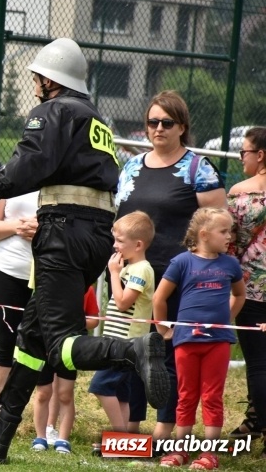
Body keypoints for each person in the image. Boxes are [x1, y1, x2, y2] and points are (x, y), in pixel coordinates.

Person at [0, 38, 168, 463]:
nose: (36, 85)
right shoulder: (96, 118)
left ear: (50, 78)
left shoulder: (54, 110)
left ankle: (131, 351)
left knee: (61, 341)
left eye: (38, 78)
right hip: (96, 233)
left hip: (62, 230)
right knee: (33, 337)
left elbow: (31, 161)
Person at [114, 91, 226, 445]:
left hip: (181, 281)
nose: (158, 128)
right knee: (131, 352)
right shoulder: (131, 166)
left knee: (171, 358)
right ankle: (129, 432)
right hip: (135, 279)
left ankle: (167, 432)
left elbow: (219, 228)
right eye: (152, 122)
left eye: (166, 122)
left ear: (182, 127)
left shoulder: (199, 169)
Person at [154, 207, 245, 469]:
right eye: (224, 231)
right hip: (185, 341)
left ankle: (209, 454)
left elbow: (239, 295)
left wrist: (226, 319)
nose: (229, 236)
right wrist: (164, 330)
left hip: (217, 342)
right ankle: (180, 450)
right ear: (204, 234)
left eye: (230, 231)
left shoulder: (230, 264)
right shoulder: (182, 262)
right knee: (186, 395)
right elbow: (159, 299)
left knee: (212, 396)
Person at [88, 211, 155, 444]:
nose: (114, 245)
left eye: (119, 241)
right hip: (118, 340)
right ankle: (126, 438)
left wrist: (113, 274)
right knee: (121, 393)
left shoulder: (141, 269)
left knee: (100, 386)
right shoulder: (129, 267)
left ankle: (119, 437)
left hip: (126, 342)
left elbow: (123, 301)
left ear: (138, 244)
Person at [0, 191, 38, 412]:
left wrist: (45, 231)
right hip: (7, 272)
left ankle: (46, 425)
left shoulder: (66, 175)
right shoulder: (9, 177)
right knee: (5, 345)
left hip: (50, 275)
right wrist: (16, 227)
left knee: (45, 347)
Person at [227, 126, 266, 450]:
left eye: (244, 152)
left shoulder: (241, 194)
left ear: (260, 155)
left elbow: (229, 243)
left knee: (258, 363)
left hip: (250, 290)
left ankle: (260, 423)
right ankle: (254, 420)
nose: (242, 158)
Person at [31, 286, 100, 454]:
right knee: (42, 393)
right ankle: (40, 437)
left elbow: (94, 319)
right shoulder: (46, 285)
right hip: (45, 346)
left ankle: (63, 440)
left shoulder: (86, 288)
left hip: (70, 347)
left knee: (65, 394)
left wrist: (74, 320)